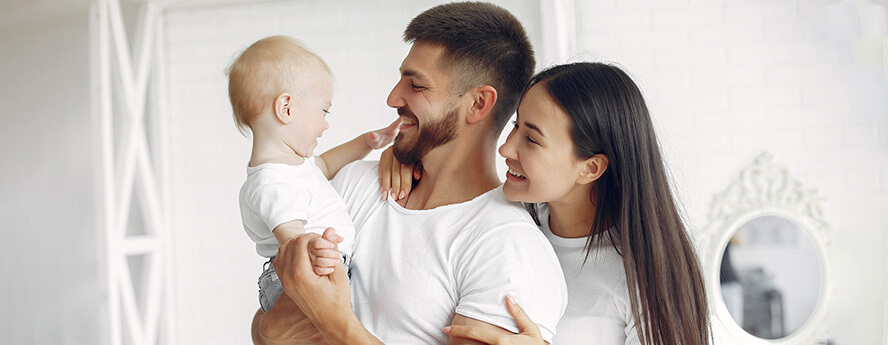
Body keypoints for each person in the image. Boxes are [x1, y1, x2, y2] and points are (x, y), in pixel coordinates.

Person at [254, 3, 568, 345]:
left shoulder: (508, 248)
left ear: (478, 104)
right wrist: (272, 328)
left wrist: (337, 325)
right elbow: (267, 327)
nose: (392, 98)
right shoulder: (354, 184)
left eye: (416, 86)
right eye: (400, 77)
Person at [384, 62, 712, 345]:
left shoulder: (639, 276)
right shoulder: (506, 221)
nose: (506, 149)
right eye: (515, 125)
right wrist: (404, 158)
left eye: (531, 138)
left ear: (591, 168)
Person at [226, 36, 400, 317]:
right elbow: (293, 240)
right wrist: (315, 250)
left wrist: (368, 142)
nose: (326, 123)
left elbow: (327, 164)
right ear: (287, 109)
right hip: (301, 273)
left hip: (313, 266)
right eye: (323, 111)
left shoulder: (294, 167)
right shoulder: (272, 183)